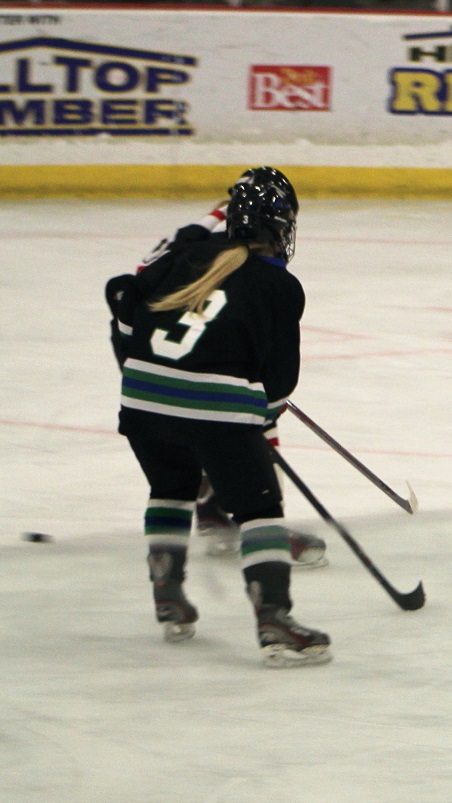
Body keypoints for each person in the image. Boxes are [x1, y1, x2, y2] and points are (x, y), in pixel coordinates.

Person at [106, 170, 332, 666]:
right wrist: (258, 416)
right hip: (214, 408)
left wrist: (134, 364)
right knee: (259, 508)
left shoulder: (187, 254)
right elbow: (279, 382)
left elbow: (121, 294)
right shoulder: (279, 284)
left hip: (142, 401)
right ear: (280, 228)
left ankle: (168, 595)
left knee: (170, 488)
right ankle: (274, 620)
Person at [132, 168, 327, 568]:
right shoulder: (241, 264)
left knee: (218, 428)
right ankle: (252, 520)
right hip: (175, 358)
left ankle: (216, 512)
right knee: (240, 422)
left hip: (148, 360)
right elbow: (277, 382)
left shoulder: (198, 244)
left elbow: (140, 279)